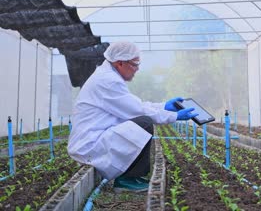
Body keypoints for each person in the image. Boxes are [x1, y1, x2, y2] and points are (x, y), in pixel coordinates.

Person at [67, 41, 198, 192]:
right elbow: (139, 111)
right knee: (144, 123)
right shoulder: (108, 81)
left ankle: (132, 177)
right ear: (120, 63)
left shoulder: (108, 76)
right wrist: (173, 116)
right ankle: (127, 180)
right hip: (90, 147)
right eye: (135, 64)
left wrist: (163, 106)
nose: (137, 69)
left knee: (142, 121)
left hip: (96, 139)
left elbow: (135, 105)